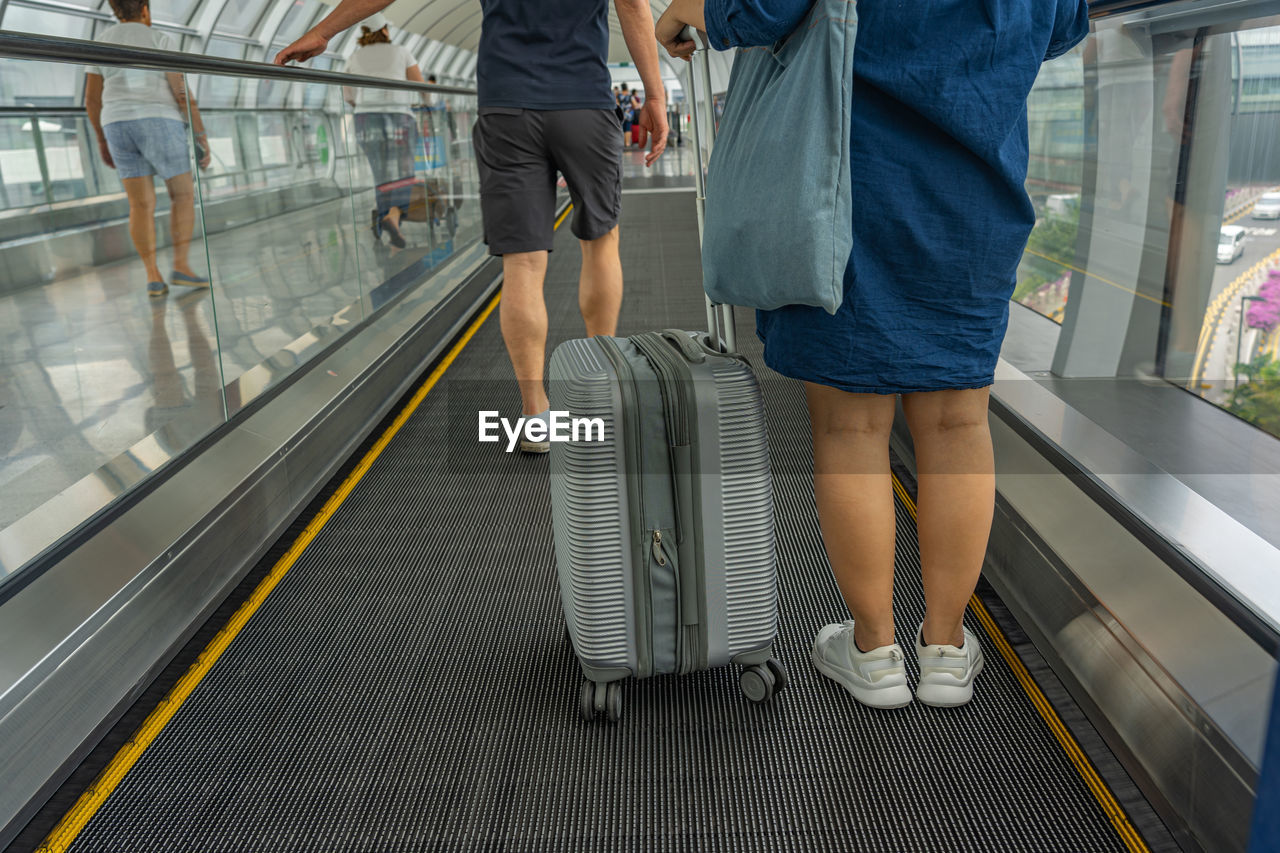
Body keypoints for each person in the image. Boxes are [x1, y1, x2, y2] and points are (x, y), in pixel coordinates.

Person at [657, 0, 1090, 708]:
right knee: (958, 424)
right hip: (977, 197)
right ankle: (947, 648)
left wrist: (687, 13)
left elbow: (765, 7)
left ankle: (875, 650)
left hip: (848, 188)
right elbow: (1064, 24)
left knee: (850, 429)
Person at [277, 0, 670, 453]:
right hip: (583, 101)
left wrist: (324, 32)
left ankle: (535, 414)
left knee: (522, 262)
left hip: (506, 107)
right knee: (601, 241)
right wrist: (654, 95)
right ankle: (599, 390)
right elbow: (634, 5)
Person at [85, 0, 211, 298]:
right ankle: (181, 266)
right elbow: (181, 93)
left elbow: (92, 100)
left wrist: (102, 139)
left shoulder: (100, 42)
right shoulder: (159, 40)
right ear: (144, 9)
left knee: (140, 205)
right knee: (182, 195)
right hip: (158, 119)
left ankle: (153, 276)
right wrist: (201, 134)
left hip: (116, 123)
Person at [342, 13, 425, 250]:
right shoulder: (401, 52)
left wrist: (362, 106)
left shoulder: (354, 57)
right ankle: (394, 215)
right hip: (399, 117)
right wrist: (427, 101)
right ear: (385, 31)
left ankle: (384, 219)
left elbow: (348, 95)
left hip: (366, 119)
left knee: (380, 174)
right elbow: (419, 85)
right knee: (404, 170)